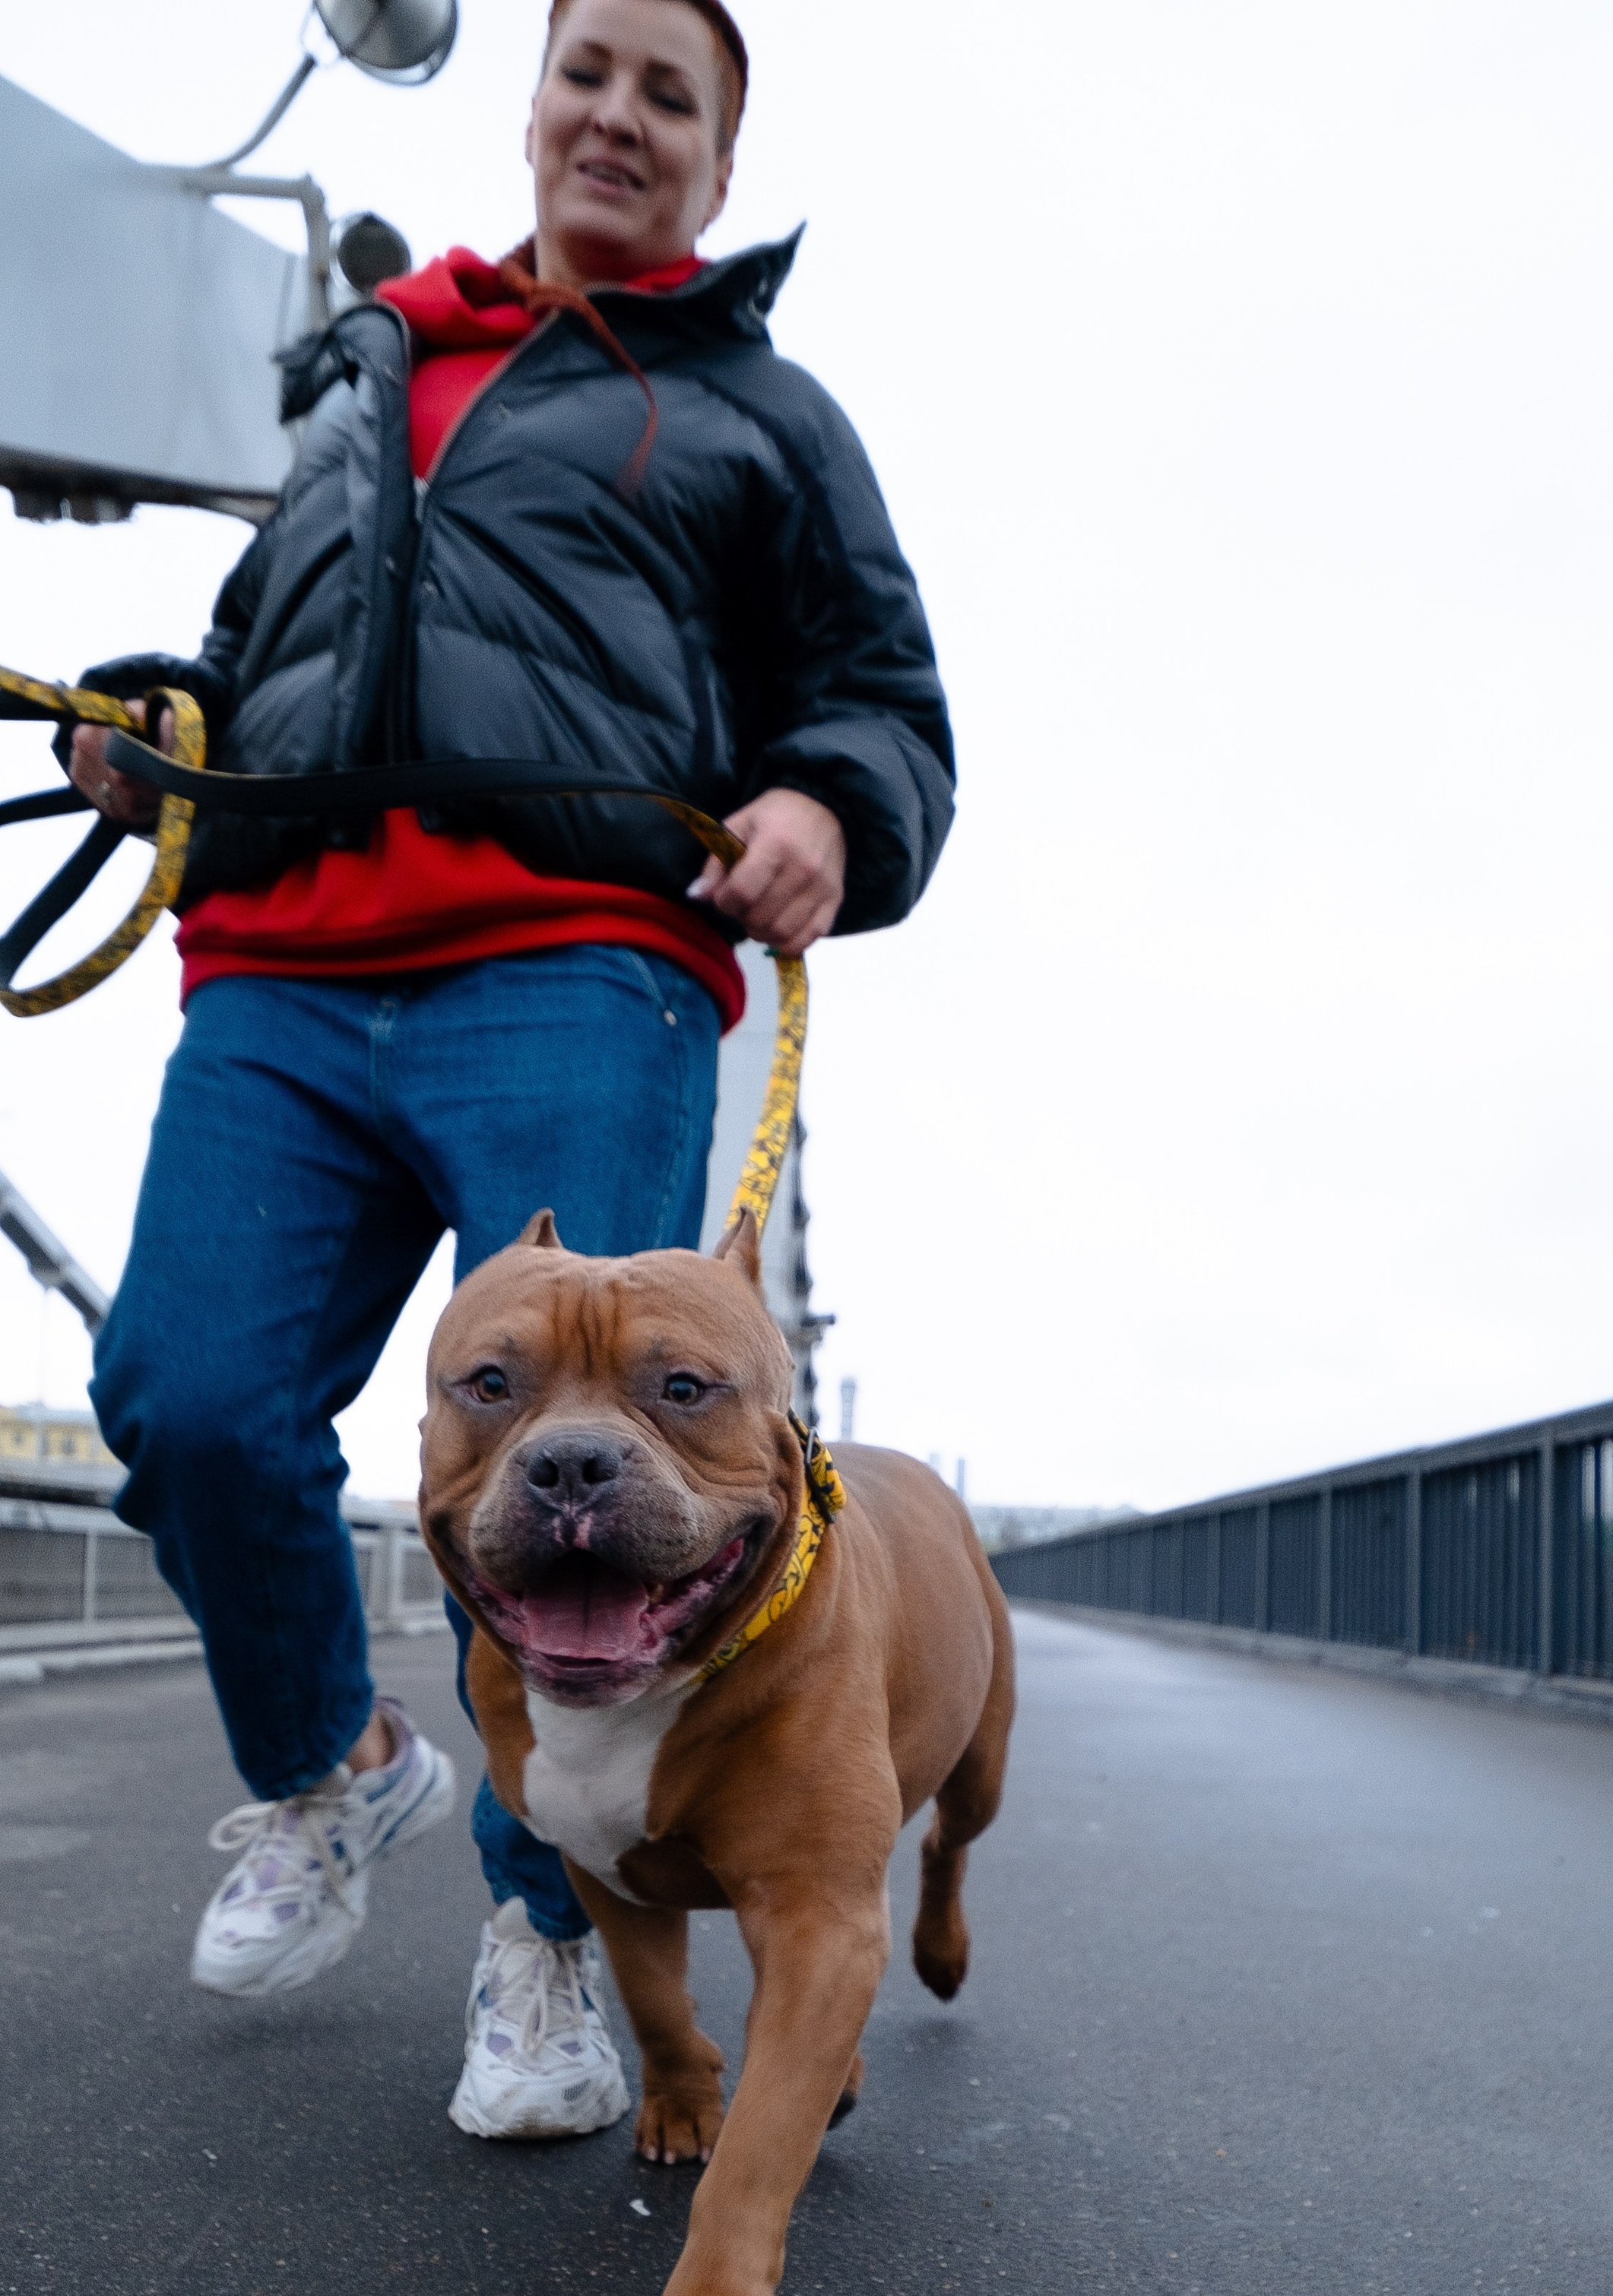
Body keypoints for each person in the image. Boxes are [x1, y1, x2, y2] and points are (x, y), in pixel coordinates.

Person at [63, 0, 953, 2139]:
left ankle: (547, 1931)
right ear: (534, 103)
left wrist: (834, 797)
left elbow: (881, 694)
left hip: (578, 956)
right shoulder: (367, 375)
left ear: (720, 169)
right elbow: (289, 636)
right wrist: (167, 722)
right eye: (593, 72)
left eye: (676, 95)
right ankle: (336, 1770)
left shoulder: (760, 410)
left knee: (595, 1485)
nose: (621, 115)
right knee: (182, 1395)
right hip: (281, 960)